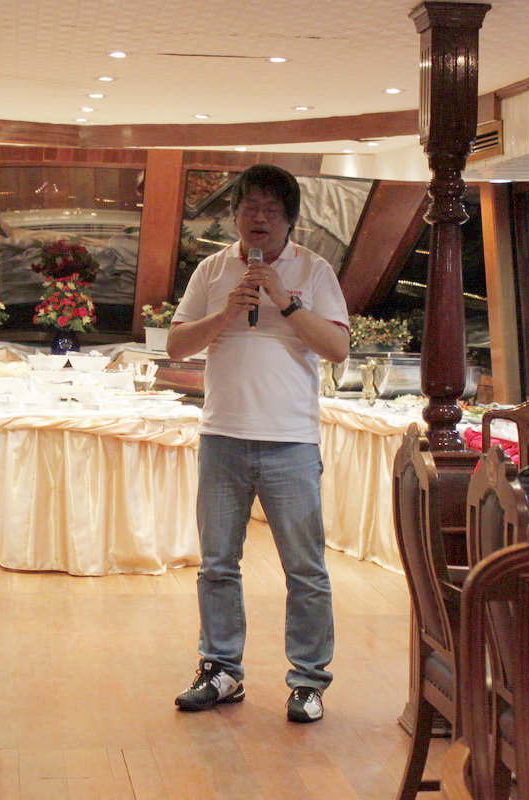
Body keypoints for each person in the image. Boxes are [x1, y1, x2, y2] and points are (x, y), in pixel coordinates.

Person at [168, 164, 350, 724]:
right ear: (235, 215)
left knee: (305, 568)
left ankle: (309, 681)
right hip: (223, 436)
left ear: (290, 219)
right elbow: (176, 346)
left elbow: (338, 349)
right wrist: (226, 311)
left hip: (290, 441)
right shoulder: (212, 269)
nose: (260, 218)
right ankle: (221, 670)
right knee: (217, 564)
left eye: (272, 209)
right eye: (250, 207)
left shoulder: (315, 270)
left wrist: (286, 302)